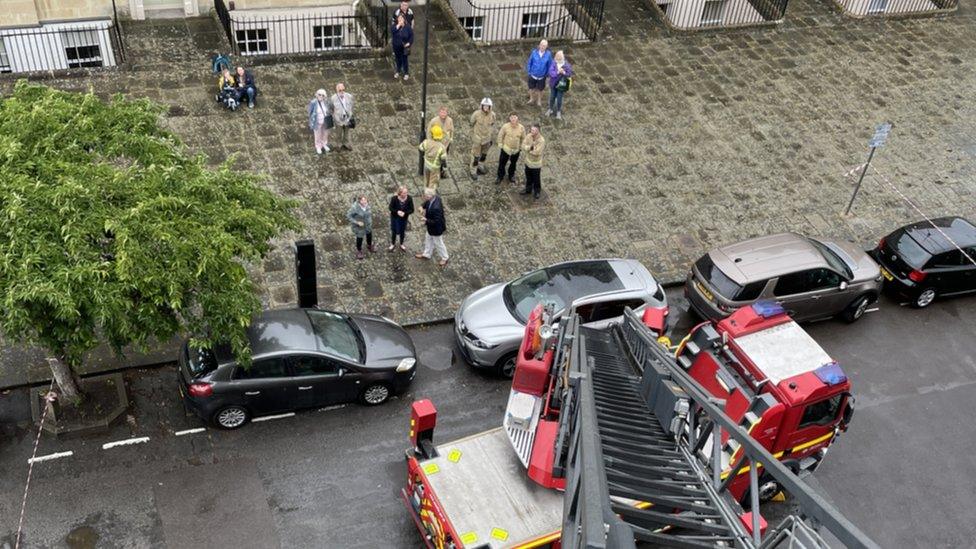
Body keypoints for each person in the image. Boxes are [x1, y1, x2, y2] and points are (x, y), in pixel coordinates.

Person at [415, 188, 449, 266]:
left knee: (439, 243)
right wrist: (422, 206)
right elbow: (427, 202)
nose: (424, 197)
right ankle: (427, 254)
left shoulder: (436, 208)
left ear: (430, 196)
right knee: (428, 239)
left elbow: (437, 221)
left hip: (436, 228)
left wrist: (426, 220)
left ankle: (445, 257)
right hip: (431, 227)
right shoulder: (435, 198)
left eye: (426, 196)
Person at [469, 97, 496, 179]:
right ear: (481, 106)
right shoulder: (476, 114)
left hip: (487, 139)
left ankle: (480, 166)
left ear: (490, 107)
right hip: (477, 139)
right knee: (475, 156)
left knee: (484, 154)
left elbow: (492, 124)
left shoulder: (493, 115)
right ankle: (473, 170)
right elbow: (471, 123)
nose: (486, 107)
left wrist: (490, 136)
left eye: (488, 106)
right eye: (484, 106)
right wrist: (473, 136)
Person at [495, 113, 525, 185]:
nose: (513, 119)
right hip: (506, 149)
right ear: (509, 118)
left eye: (515, 117)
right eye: (511, 117)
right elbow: (500, 135)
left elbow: (523, 138)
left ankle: (511, 175)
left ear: (517, 118)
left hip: (516, 150)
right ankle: (500, 176)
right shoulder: (505, 126)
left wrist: (520, 147)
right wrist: (500, 144)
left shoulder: (521, 128)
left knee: (513, 163)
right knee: (502, 163)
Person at [427, 107, 454, 178]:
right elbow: (429, 132)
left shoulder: (450, 120)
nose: (443, 114)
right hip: (437, 144)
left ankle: (442, 171)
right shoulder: (433, 121)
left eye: (445, 112)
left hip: (446, 143)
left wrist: (451, 138)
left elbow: (451, 130)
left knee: (444, 158)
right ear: (439, 112)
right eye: (442, 112)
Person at [524, 39, 552, 108]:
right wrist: (529, 71)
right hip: (533, 74)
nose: (543, 47)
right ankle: (531, 99)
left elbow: (550, 65)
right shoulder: (534, 52)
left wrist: (547, 74)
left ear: (546, 47)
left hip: (542, 76)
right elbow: (530, 62)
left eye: (544, 46)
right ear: (539, 45)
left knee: (540, 89)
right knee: (531, 88)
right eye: (542, 45)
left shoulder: (548, 54)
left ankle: (539, 101)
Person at [520, 124, 545, 199]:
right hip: (528, 162)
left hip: (536, 164)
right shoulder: (528, 136)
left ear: (538, 131)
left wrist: (528, 150)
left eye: (533, 130)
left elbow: (537, 152)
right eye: (531, 130)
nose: (531, 131)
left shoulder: (541, 140)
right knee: (528, 176)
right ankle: (528, 189)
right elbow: (523, 145)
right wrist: (530, 148)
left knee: (536, 178)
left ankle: (537, 191)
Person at [546, 50, 573, 119]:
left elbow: (569, 74)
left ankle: (558, 111)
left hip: (561, 85)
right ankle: (550, 109)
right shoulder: (553, 63)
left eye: (560, 56)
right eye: (557, 56)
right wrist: (558, 72)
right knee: (552, 97)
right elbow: (551, 73)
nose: (558, 57)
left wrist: (564, 73)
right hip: (553, 84)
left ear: (562, 57)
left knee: (559, 99)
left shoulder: (566, 65)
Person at [419, 125, 447, 189]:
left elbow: (420, 149)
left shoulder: (426, 142)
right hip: (435, 167)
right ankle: (430, 195)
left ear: (432, 134)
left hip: (426, 164)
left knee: (426, 179)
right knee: (433, 182)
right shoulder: (442, 147)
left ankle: (425, 190)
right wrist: (444, 168)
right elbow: (443, 160)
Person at [347, 194, 374, 260]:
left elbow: (369, 213)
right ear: (359, 201)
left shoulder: (367, 205)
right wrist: (357, 222)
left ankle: (369, 245)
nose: (364, 202)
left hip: (367, 225)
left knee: (369, 235)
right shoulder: (354, 208)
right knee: (360, 239)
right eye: (362, 200)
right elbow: (348, 216)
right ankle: (359, 251)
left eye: (365, 200)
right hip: (359, 227)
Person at [388, 185, 414, 252]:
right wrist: (397, 211)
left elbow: (412, 210)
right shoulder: (394, 198)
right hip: (395, 218)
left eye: (406, 192)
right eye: (404, 193)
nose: (406, 194)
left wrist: (405, 213)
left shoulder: (409, 198)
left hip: (404, 218)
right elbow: (390, 208)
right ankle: (393, 243)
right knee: (394, 230)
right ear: (400, 193)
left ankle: (401, 243)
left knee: (402, 231)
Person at [330, 83, 355, 151]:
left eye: (343, 90)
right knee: (339, 133)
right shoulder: (333, 98)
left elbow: (352, 105)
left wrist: (350, 114)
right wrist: (335, 116)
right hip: (338, 119)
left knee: (347, 132)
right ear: (337, 90)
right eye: (340, 90)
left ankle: (346, 143)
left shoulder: (349, 96)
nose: (342, 92)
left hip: (347, 118)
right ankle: (339, 144)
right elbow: (331, 108)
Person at [307, 89, 332, 154]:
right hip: (317, 121)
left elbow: (329, 109)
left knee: (325, 134)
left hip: (325, 121)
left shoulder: (326, 102)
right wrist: (311, 120)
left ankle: (324, 144)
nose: (321, 96)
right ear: (316, 95)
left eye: (323, 95)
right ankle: (318, 146)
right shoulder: (313, 102)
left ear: (325, 96)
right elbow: (310, 112)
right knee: (317, 135)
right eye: (319, 94)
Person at [391, 14, 413, 80]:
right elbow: (393, 31)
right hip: (396, 46)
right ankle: (398, 71)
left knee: (404, 59)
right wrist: (399, 25)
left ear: (404, 19)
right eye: (399, 18)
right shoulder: (394, 26)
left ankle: (406, 73)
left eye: (401, 18)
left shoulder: (407, 27)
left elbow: (411, 36)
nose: (400, 20)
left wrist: (409, 43)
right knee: (398, 59)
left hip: (404, 47)